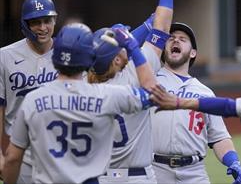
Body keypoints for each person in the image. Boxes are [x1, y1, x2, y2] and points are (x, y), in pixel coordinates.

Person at [3, 23, 158, 184]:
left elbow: (13, 158)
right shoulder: (103, 95)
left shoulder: (33, 99)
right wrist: (132, 46)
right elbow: (152, 93)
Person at [88, 0, 176, 184]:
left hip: (99, 176)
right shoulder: (136, 72)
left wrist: (132, 33)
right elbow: (162, 29)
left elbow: (105, 52)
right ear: (118, 58)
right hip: (138, 177)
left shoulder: (83, 81)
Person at [150, 22, 241, 184]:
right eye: (171, 38)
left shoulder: (205, 92)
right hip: (155, 170)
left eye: (182, 39)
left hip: (194, 172)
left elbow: (219, 137)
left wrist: (233, 161)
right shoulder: (150, 80)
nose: (176, 41)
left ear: (193, 53)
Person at [0, 0, 58, 183]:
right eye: (35, 22)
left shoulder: (68, 53)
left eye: (47, 21)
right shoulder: (4, 56)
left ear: (55, 20)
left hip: (60, 151)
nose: (42, 28)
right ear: (25, 24)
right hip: (20, 153)